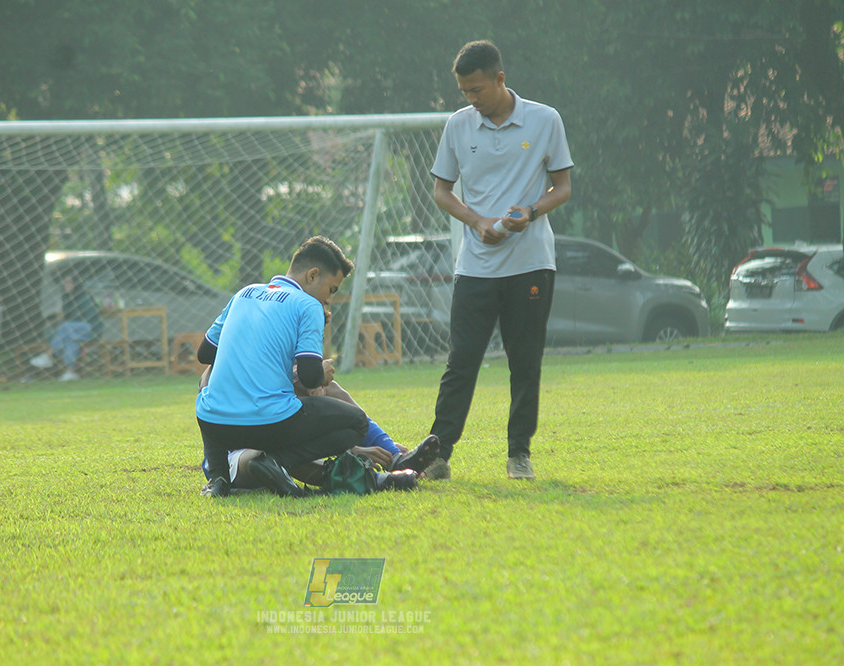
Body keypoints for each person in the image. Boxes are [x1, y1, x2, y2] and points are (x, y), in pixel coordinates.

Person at [424, 40, 573, 481]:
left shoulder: (545, 120)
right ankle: (439, 455)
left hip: (531, 264)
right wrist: (477, 220)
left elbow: (562, 187)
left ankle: (518, 454)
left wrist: (532, 211)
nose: (472, 99)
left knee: (524, 362)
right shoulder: (458, 126)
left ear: (499, 79)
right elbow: (441, 191)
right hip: (476, 267)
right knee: (462, 360)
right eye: (465, 92)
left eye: (477, 90)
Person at [197, 236, 396, 498]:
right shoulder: (307, 305)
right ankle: (276, 462)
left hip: (215, 426)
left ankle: (220, 477)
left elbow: (205, 353)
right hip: (269, 425)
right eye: (332, 290)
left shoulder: (243, 294)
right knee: (356, 423)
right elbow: (310, 377)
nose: (329, 299)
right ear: (313, 275)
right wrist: (321, 374)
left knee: (209, 393)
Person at [198, 363, 440, 494]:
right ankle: (375, 480)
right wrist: (351, 448)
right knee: (261, 460)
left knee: (329, 387)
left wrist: (310, 380)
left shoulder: (269, 350)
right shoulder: (218, 369)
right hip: (237, 456)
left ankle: (394, 457)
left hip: (273, 436)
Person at [30, 272, 104, 381]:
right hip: (74, 331)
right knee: (71, 341)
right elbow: (65, 317)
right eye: (65, 282)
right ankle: (71, 372)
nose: (66, 285)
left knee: (66, 327)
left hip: (90, 330)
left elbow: (87, 319)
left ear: (76, 283)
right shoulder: (67, 298)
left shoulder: (84, 297)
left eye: (69, 282)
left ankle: (49, 355)